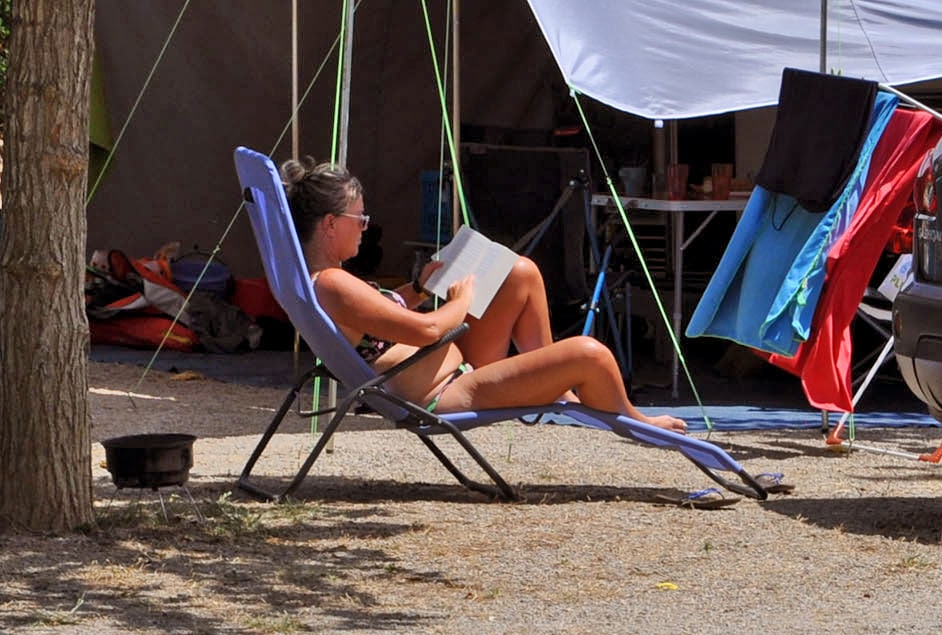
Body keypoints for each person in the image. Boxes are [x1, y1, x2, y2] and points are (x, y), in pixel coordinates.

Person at [285, 159, 686, 431]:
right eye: (361, 219)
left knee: (519, 273)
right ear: (331, 224)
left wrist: (421, 287)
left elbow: (381, 322)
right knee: (589, 353)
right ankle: (635, 421)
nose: (366, 227)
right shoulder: (334, 284)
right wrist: (460, 300)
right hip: (446, 393)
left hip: (453, 372)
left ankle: (557, 387)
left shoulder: (325, 281)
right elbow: (424, 331)